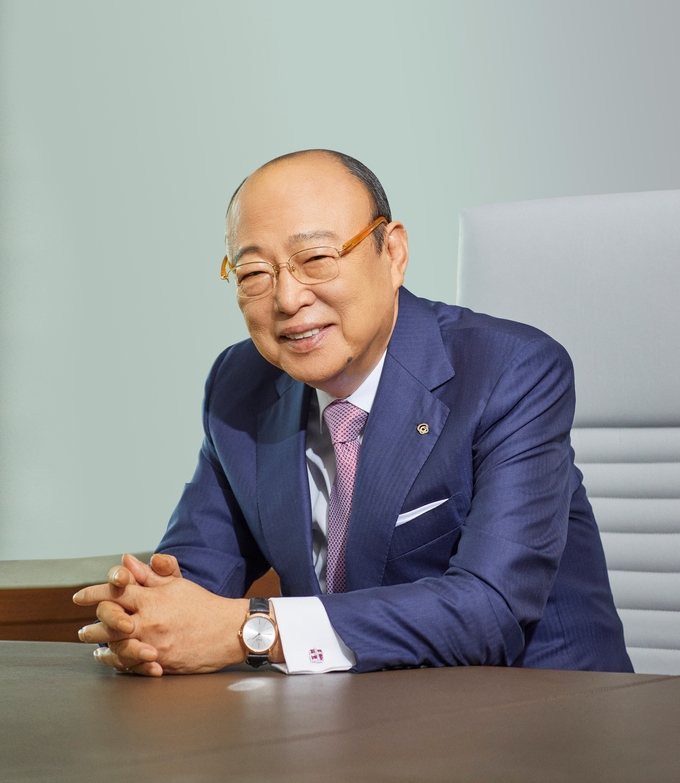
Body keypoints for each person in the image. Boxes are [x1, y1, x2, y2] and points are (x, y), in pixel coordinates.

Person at [74, 149, 633, 676]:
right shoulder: (240, 383)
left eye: (316, 259)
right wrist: (144, 620)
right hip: (346, 721)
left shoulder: (510, 371)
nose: (287, 299)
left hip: (535, 716)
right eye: (254, 274)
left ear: (393, 253)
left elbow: (489, 610)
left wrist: (254, 631)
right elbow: (194, 577)